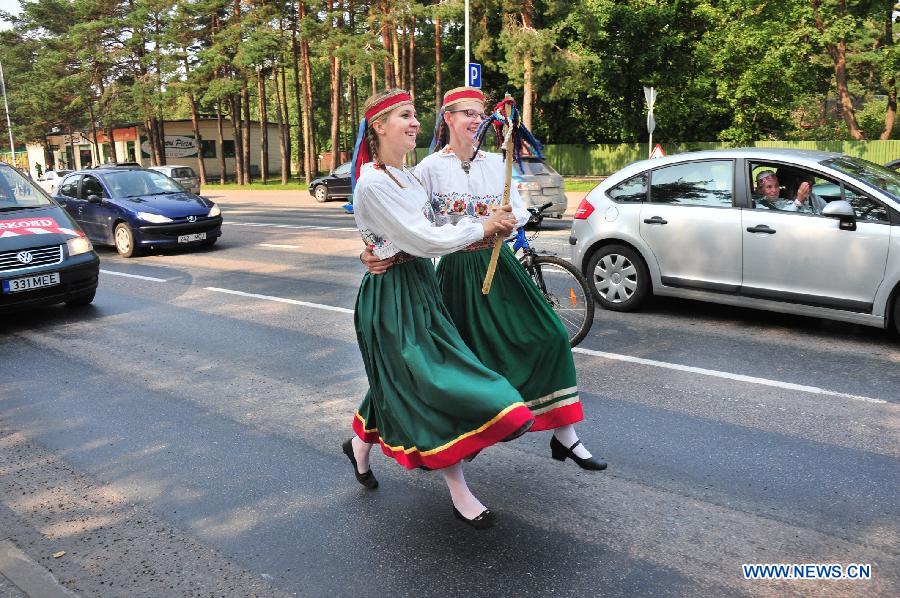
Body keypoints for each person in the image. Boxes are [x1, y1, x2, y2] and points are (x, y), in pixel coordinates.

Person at [364, 87, 606, 471]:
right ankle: (375, 430)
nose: (478, 122)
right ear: (448, 118)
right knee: (444, 363)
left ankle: (566, 437)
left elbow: (519, 212)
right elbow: (402, 224)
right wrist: (369, 251)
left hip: (501, 264)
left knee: (549, 336)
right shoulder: (427, 170)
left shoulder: (497, 163)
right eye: (468, 114)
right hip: (457, 271)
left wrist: (510, 219)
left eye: (482, 115)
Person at [345, 88, 535, 530]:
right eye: (405, 117)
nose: (415, 124)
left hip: (420, 285)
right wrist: (481, 226)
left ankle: (359, 444)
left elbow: (432, 227)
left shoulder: (407, 177)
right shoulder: (372, 182)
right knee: (431, 381)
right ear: (378, 126)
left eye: (415, 116)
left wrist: (493, 221)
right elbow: (424, 239)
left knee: (401, 380)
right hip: (391, 297)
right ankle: (460, 490)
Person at [754, 169, 823, 213]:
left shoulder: (783, 200)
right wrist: (798, 201)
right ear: (760, 190)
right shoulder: (759, 206)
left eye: (777, 186)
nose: (774, 190)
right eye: (769, 187)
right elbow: (781, 219)